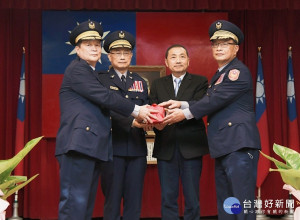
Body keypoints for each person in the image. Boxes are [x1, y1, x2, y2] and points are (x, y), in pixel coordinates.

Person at [55, 21, 157, 220]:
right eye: (87, 44)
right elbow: (106, 97)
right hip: (79, 145)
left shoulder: (90, 72)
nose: (94, 48)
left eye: (96, 44)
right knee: (74, 205)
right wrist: (137, 110)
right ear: (77, 49)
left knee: (83, 206)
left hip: (91, 147)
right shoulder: (78, 70)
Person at [161, 20, 261, 220]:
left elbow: (214, 100)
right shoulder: (219, 75)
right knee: (228, 205)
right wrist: (180, 104)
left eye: (225, 43)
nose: (219, 48)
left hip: (238, 147)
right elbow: (209, 100)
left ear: (236, 48)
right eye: (216, 44)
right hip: (225, 148)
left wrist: (183, 113)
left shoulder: (236, 72)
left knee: (241, 205)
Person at [149, 44, 209, 220]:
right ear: (166, 62)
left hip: (191, 147)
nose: (178, 60)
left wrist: (181, 109)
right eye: (173, 57)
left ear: (188, 61)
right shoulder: (158, 84)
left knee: (192, 198)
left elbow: (201, 105)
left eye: (182, 56)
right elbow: (153, 109)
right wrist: (155, 124)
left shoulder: (200, 81)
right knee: (168, 197)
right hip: (165, 146)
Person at [98, 30, 151, 220]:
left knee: (134, 201)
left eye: (126, 53)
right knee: (112, 201)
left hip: (137, 149)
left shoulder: (140, 81)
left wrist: (153, 120)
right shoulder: (100, 80)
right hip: (112, 149)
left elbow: (147, 108)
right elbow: (104, 109)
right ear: (110, 56)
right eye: (117, 53)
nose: (122, 57)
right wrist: (132, 121)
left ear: (131, 55)